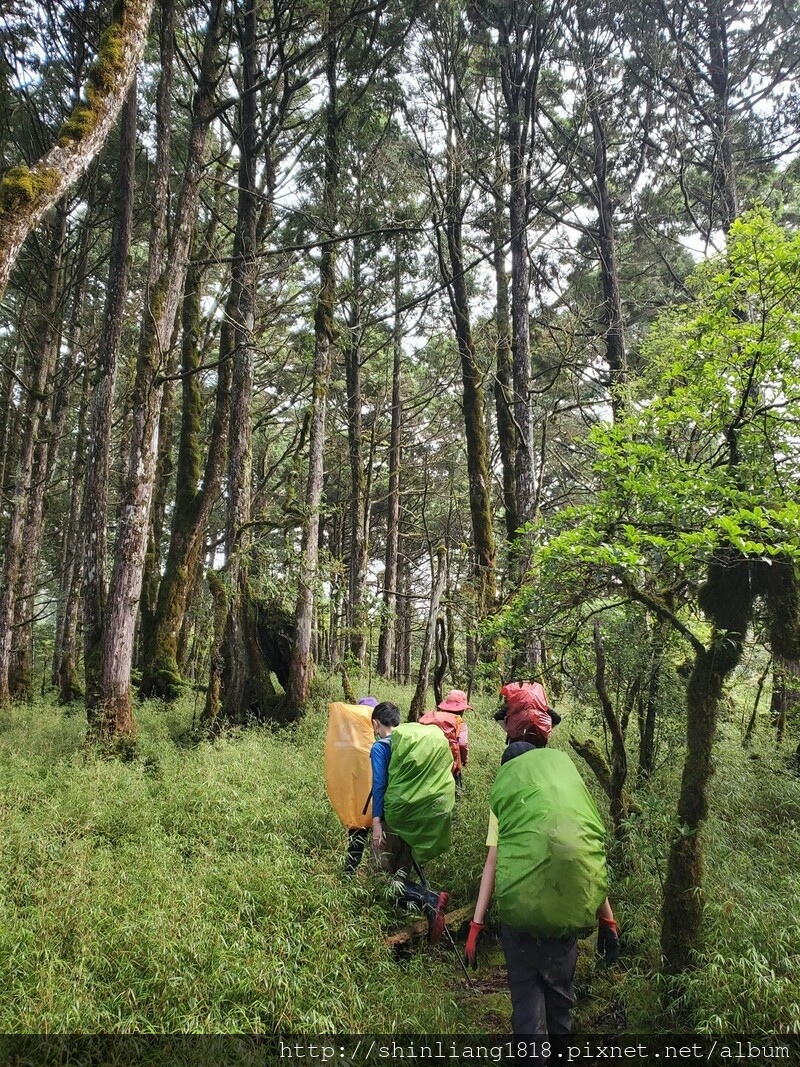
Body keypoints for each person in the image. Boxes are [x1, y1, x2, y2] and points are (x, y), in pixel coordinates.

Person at [465, 700, 619, 1039]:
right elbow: (584, 857)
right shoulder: (563, 793)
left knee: (525, 1001)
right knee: (561, 998)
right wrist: (607, 917)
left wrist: (477, 924)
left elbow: (492, 863)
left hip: (519, 917)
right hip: (565, 913)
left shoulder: (506, 796)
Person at [370, 700, 450, 944]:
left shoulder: (380, 747)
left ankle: (430, 900)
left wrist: (376, 822)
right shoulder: (411, 745)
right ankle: (407, 921)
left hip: (391, 820)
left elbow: (380, 785)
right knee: (401, 873)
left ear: (375, 723)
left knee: (381, 878)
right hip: (414, 821)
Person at [342, 697, 379, 873]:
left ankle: (350, 872)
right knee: (377, 839)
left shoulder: (347, 740)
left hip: (357, 800)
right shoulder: (372, 740)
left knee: (357, 837)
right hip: (373, 798)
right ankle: (372, 877)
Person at [419, 688, 470, 785]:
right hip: (450, 763)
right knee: (455, 789)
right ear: (462, 710)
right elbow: (463, 744)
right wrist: (465, 759)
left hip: (427, 758)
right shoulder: (460, 722)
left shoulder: (432, 717)